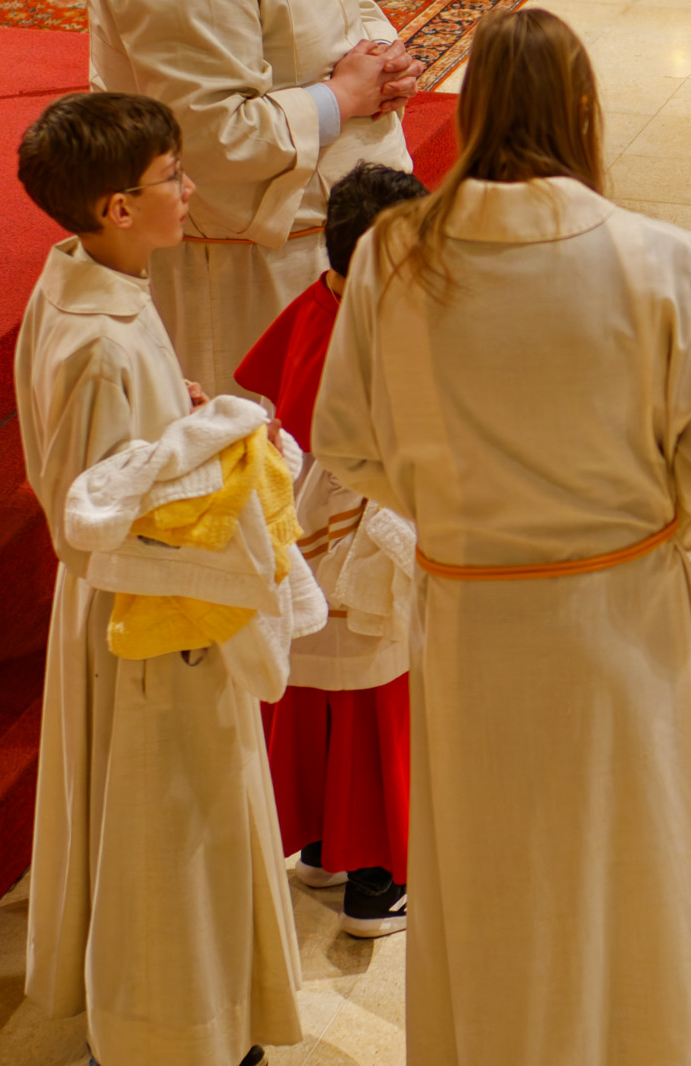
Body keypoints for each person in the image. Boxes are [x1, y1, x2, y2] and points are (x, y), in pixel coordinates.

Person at [311, 10, 691, 1063]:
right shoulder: (652, 257)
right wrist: (680, 530)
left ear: (473, 108)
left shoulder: (396, 253)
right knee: (631, 860)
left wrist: (453, 510)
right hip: (618, 610)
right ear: (585, 110)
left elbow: (346, 439)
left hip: (473, 615)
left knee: (497, 866)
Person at [13, 93, 303, 1066]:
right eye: (171, 176)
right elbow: (93, 514)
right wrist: (217, 455)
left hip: (149, 606)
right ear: (118, 208)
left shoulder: (88, 277)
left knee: (185, 823)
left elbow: (118, 456)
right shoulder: (97, 340)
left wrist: (177, 417)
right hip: (148, 617)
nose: (188, 188)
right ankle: (166, 1041)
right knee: (168, 835)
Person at [234, 161, 429, 939]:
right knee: (376, 703)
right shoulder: (376, 337)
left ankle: (322, 844)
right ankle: (378, 880)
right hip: (360, 536)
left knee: (318, 696)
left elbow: (275, 389)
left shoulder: (320, 300)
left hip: (304, 530)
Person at [89, 0, 422, 398]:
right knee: (267, 430)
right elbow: (211, 135)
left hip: (363, 220)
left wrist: (387, 61)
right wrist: (344, 96)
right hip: (259, 259)